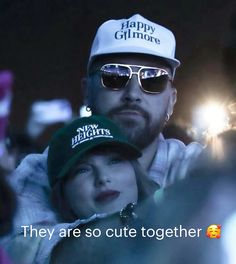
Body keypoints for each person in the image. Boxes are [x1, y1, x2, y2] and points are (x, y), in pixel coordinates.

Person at [3, 14, 203, 263]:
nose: (133, 94)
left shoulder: (197, 164)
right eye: (115, 76)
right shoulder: (39, 169)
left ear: (172, 99)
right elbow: (20, 244)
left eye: (153, 79)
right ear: (87, 91)